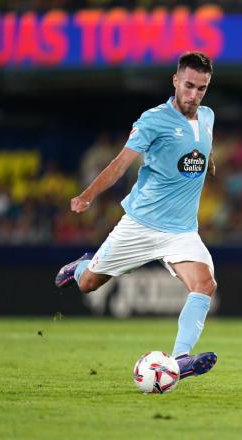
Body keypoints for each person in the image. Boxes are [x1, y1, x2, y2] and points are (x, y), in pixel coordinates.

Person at [55, 52, 218, 380]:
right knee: (88, 284)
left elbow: (198, 146)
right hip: (141, 225)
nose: (194, 95)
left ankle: (180, 359)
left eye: (201, 89)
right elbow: (120, 165)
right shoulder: (152, 120)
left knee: (204, 284)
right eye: (188, 86)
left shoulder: (208, 117)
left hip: (182, 231)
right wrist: (87, 195)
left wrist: (208, 160)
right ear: (175, 81)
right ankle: (84, 264)